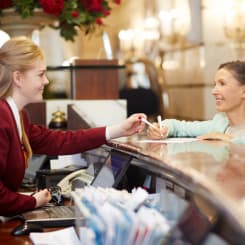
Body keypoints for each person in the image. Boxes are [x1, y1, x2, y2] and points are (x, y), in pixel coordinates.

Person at [0, 37, 146, 217]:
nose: (46, 81)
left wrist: (119, 130)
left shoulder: (17, 114)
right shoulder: (2, 116)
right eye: (40, 74)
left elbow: (59, 141)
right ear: (18, 78)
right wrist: (33, 201)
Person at [147, 61, 245, 144]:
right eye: (215, 84)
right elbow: (180, 127)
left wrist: (228, 140)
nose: (214, 91)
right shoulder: (220, 123)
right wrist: (162, 128)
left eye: (222, 84)